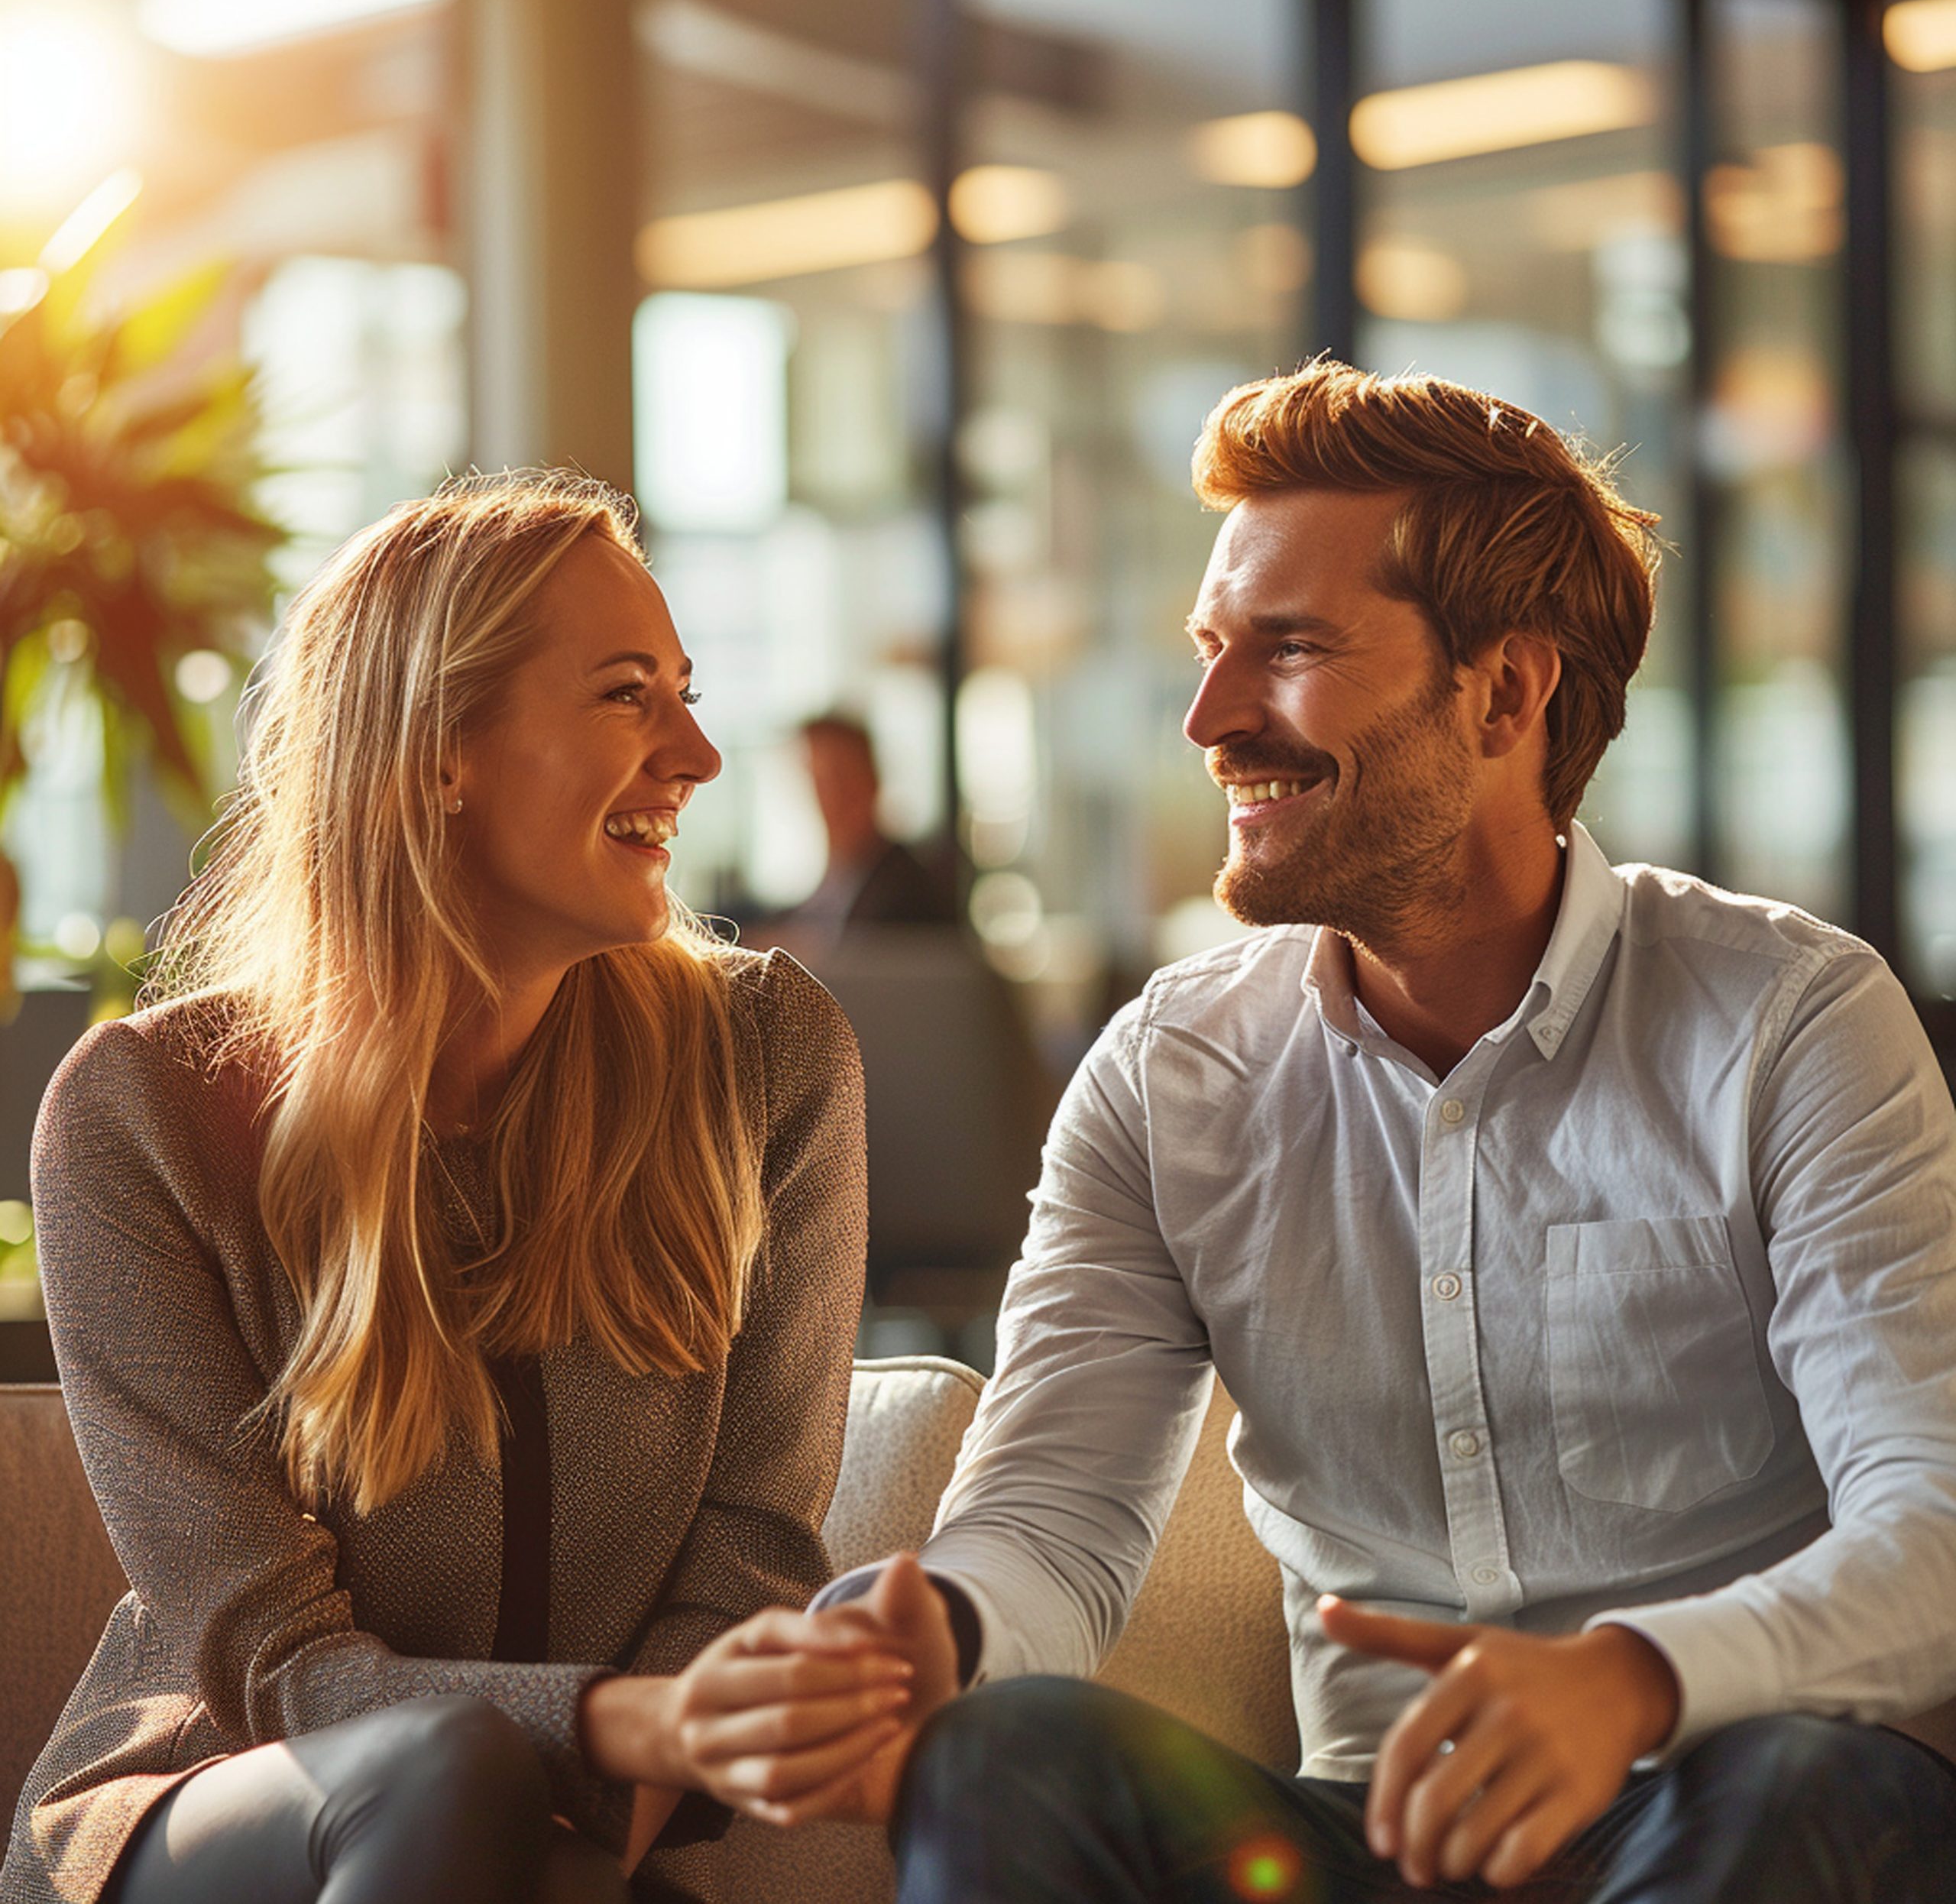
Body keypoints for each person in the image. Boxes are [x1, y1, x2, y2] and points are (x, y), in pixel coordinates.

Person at [800, 361, 1956, 1900]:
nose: (1212, 720)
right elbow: (1052, 1519)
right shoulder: (1165, 1076)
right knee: (1000, 1750)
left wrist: (1631, 1676)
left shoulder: (1790, 1020)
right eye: (1212, 651)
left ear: (1502, 691)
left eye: (1287, 650)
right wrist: (928, 1624)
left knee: (1810, 1771)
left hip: (1713, 1802)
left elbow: (1929, 1525)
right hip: (1357, 1841)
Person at [1, 473, 913, 1904]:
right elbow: (269, 1658)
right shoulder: (143, 1112)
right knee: (452, 1770)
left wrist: (591, 1832)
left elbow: (753, 1549)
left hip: (569, 1847)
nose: (700, 754)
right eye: (629, 697)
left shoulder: (769, 1058)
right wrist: (609, 1730)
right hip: (208, 1811)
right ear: (438, 751)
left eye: (686, 691)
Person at [780, 714, 958, 940]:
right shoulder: (835, 880)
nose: (831, 797)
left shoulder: (906, 889)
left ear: (873, 778)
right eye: (818, 779)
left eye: (841, 778)